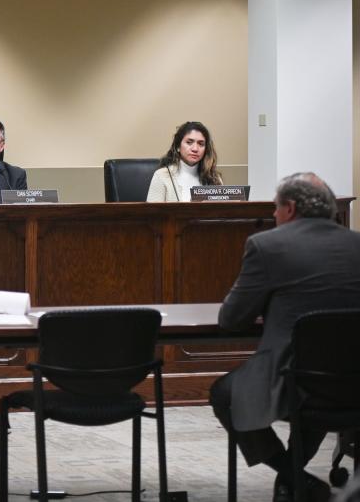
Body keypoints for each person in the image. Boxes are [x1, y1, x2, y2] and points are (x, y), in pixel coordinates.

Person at [210, 172, 360, 502]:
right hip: (351, 381)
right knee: (318, 377)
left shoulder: (267, 246)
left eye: (276, 208)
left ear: (290, 208)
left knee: (225, 394)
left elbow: (232, 319)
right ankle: (292, 483)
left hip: (294, 382)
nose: (274, 216)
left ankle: (294, 478)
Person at [146, 121, 222, 202]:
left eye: (201, 144)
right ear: (178, 146)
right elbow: (151, 213)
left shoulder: (215, 178)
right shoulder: (161, 176)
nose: (195, 149)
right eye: (189, 142)